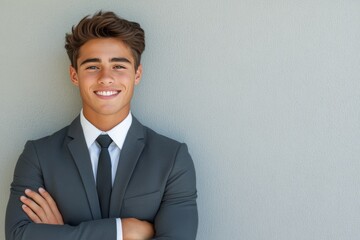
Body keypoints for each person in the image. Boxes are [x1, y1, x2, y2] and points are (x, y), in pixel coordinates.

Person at [5, 11, 198, 240]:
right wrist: (123, 232)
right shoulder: (38, 156)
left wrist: (61, 234)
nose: (106, 77)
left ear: (137, 74)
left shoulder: (172, 158)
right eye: (92, 67)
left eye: (119, 66)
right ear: (74, 75)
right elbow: (18, 235)